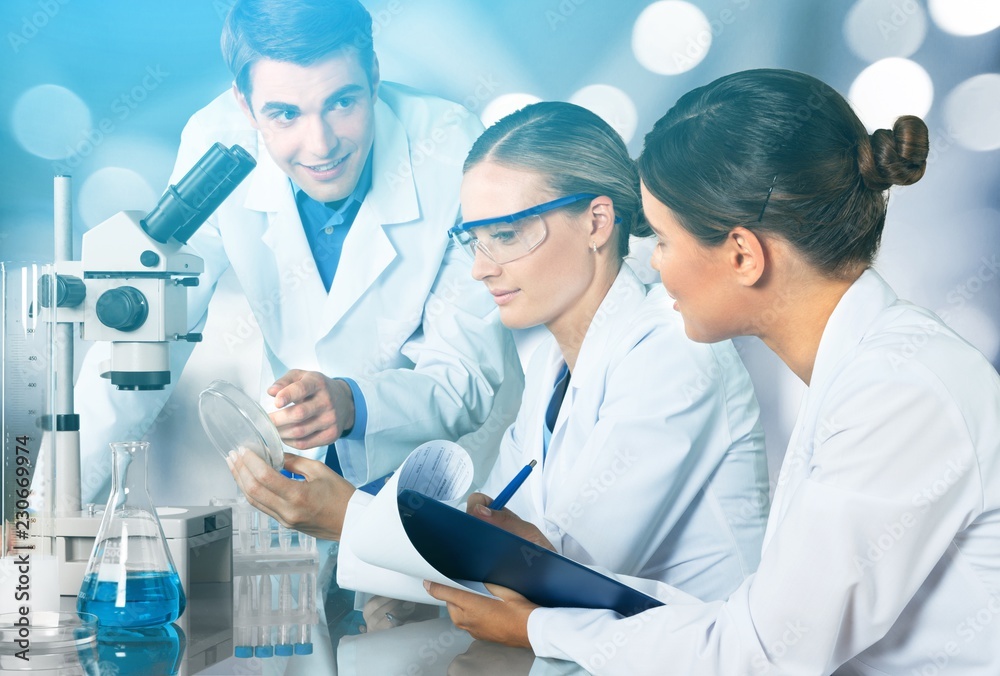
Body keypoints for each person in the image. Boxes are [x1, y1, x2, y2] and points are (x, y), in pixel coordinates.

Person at [425, 69, 1000, 675]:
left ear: (743, 255)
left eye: (664, 241)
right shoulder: (866, 374)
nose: (654, 268)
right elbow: (751, 622)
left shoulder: (901, 393)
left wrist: (545, 626)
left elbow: (764, 654)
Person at [229, 102, 770, 608]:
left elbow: (565, 576)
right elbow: (498, 534)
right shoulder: (550, 367)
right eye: (474, 239)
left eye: (507, 235)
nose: (480, 269)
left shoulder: (672, 351)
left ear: (597, 223)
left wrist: (349, 517)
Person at [75, 0, 522, 502]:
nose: (321, 145)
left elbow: (464, 373)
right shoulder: (217, 142)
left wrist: (353, 403)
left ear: (374, 75)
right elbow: (143, 337)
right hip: (289, 475)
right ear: (245, 105)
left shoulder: (450, 147)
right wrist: (46, 507)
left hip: (435, 485)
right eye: (285, 114)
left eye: (342, 103)